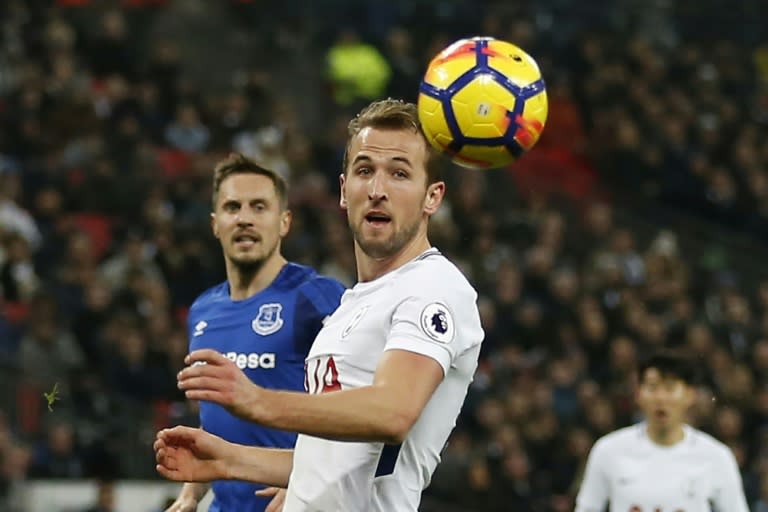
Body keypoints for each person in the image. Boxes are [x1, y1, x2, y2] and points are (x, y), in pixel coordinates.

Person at [154, 98, 485, 512]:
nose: (378, 190)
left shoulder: (433, 285)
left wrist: (258, 400)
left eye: (399, 173)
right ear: (345, 191)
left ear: (432, 197)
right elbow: (337, 463)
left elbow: (393, 412)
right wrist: (228, 459)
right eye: (365, 171)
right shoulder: (351, 303)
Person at [164, 153, 346, 512]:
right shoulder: (203, 310)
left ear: (284, 222)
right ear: (216, 224)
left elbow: (355, 407)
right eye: (233, 208)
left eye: (259, 207)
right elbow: (213, 418)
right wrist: (190, 494)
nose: (245, 218)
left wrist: (305, 478)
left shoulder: (318, 297)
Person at [575, 351, 750, 512]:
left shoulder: (716, 457)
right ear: (639, 394)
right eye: (652, 387)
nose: (661, 398)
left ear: (690, 395)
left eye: (670, 388)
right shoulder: (608, 450)